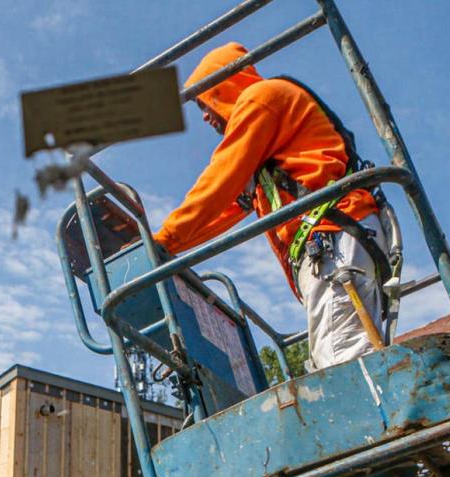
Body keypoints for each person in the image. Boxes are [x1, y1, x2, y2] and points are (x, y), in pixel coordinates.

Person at [153, 42, 391, 371]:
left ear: (222, 88)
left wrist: (161, 240)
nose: (206, 117)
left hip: (334, 236)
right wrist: (163, 250)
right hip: (340, 237)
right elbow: (226, 207)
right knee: (350, 353)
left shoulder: (261, 98)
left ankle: (385, 422)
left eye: (204, 104)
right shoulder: (268, 143)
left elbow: (219, 181)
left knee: (344, 362)